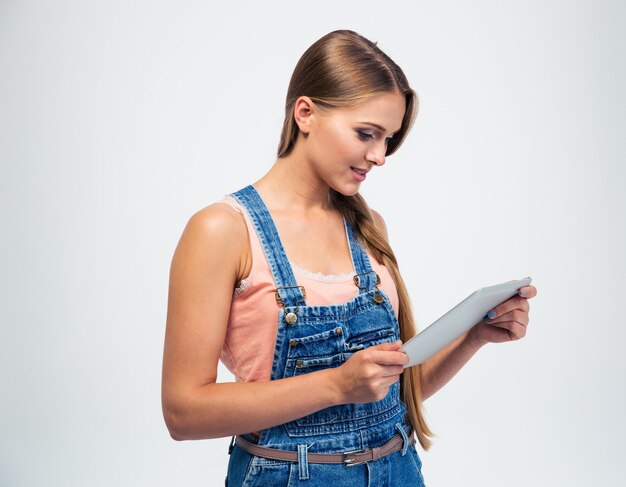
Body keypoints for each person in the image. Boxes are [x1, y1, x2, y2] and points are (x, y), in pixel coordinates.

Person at [161, 29, 537, 486]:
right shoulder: (222, 230)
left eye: (388, 139)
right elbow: (183, 412)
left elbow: (389, 396)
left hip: (398, 469)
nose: (379, 156)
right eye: (367, 133)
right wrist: (336, 384)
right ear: (306, 113)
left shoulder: (367, 225)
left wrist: (475, 335)